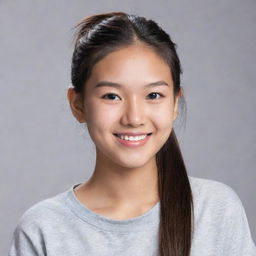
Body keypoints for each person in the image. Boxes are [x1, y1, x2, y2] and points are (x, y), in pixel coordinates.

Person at [8, 11, 256, 256]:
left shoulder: (216, 210)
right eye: (112, 96)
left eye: (153, 95)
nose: (134, 118)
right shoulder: (43, 229)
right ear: (78, 104)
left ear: (175, 105)